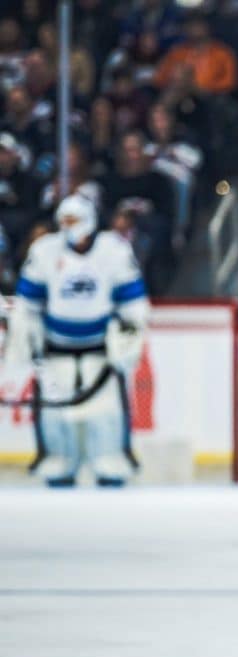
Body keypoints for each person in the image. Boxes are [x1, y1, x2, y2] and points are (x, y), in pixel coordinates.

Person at [7, 195, 148, 486]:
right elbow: (27, 304)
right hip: (55, 350)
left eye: (73, 220)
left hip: (100, 352)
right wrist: (24, 338)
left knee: (106, 416)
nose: (68, 226)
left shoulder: (114, 250)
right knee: (55, 418)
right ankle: (58, 468)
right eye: (64, 220)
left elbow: (133, 304)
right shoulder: (45, 250)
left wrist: (127, 340)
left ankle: (110, 469)